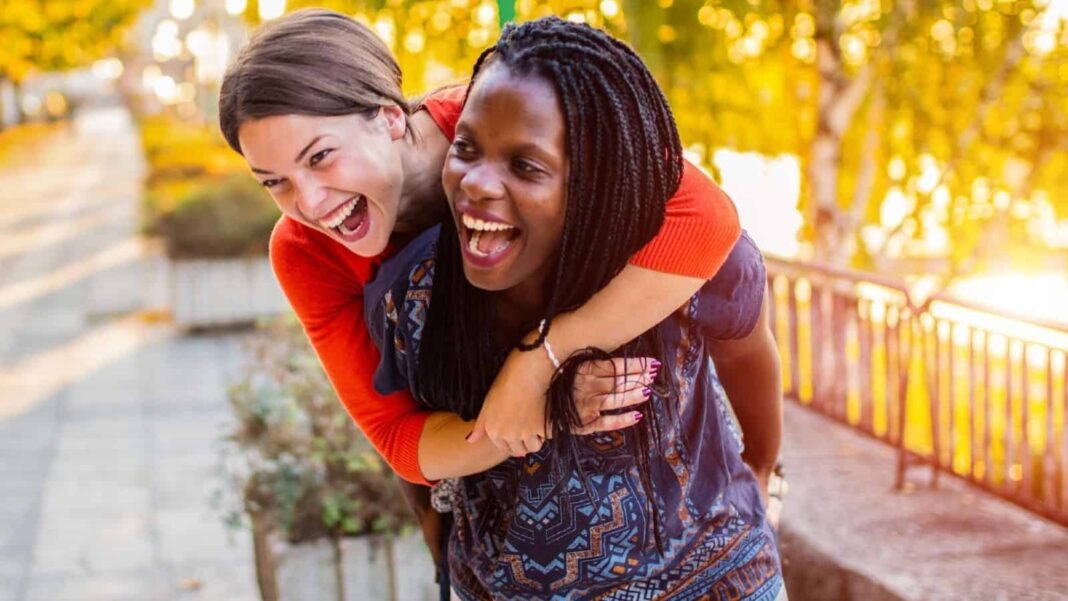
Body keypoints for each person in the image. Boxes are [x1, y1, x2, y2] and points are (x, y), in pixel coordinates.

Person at [218, 10, 743, 489]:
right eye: (274, 183)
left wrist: (540, 359)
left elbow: (707, 219)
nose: (307, 202)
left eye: (321, 157)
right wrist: (538, 412)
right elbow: (399, 438)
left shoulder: (508, 117)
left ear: (389, 117)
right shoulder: (304, 251)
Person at [365, 17, 785, 600]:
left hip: (714, 583)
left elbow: (747, 354)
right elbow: (412, 448)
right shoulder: (410, 297)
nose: (477, 184)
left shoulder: (685, 271)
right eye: (465, 148)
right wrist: (449, 558)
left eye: (526, 165)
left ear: (595, 181)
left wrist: (762, 468)